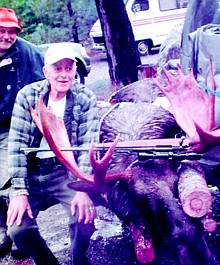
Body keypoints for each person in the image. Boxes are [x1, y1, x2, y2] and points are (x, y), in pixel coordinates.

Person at [6, 43, 99, 265]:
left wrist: (83, 188)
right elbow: (16, 144)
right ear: (45, 71)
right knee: (17, 230)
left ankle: (79, 261)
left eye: (69, 68)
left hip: (66, 173)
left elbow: (89, 144)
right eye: (57, 68)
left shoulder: (85, 97)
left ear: (75, 70)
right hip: (32, 174)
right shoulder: (27, 96)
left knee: (84, 219)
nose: (64, 74)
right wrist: (18, 191)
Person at [0, 7, 44, 258]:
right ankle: (2, 227)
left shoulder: (29, 53)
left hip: (13, 125)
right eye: (1, 31)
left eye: (11, 32)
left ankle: (19, 232)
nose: (6, 36)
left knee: (7, 175)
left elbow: (44, 87)